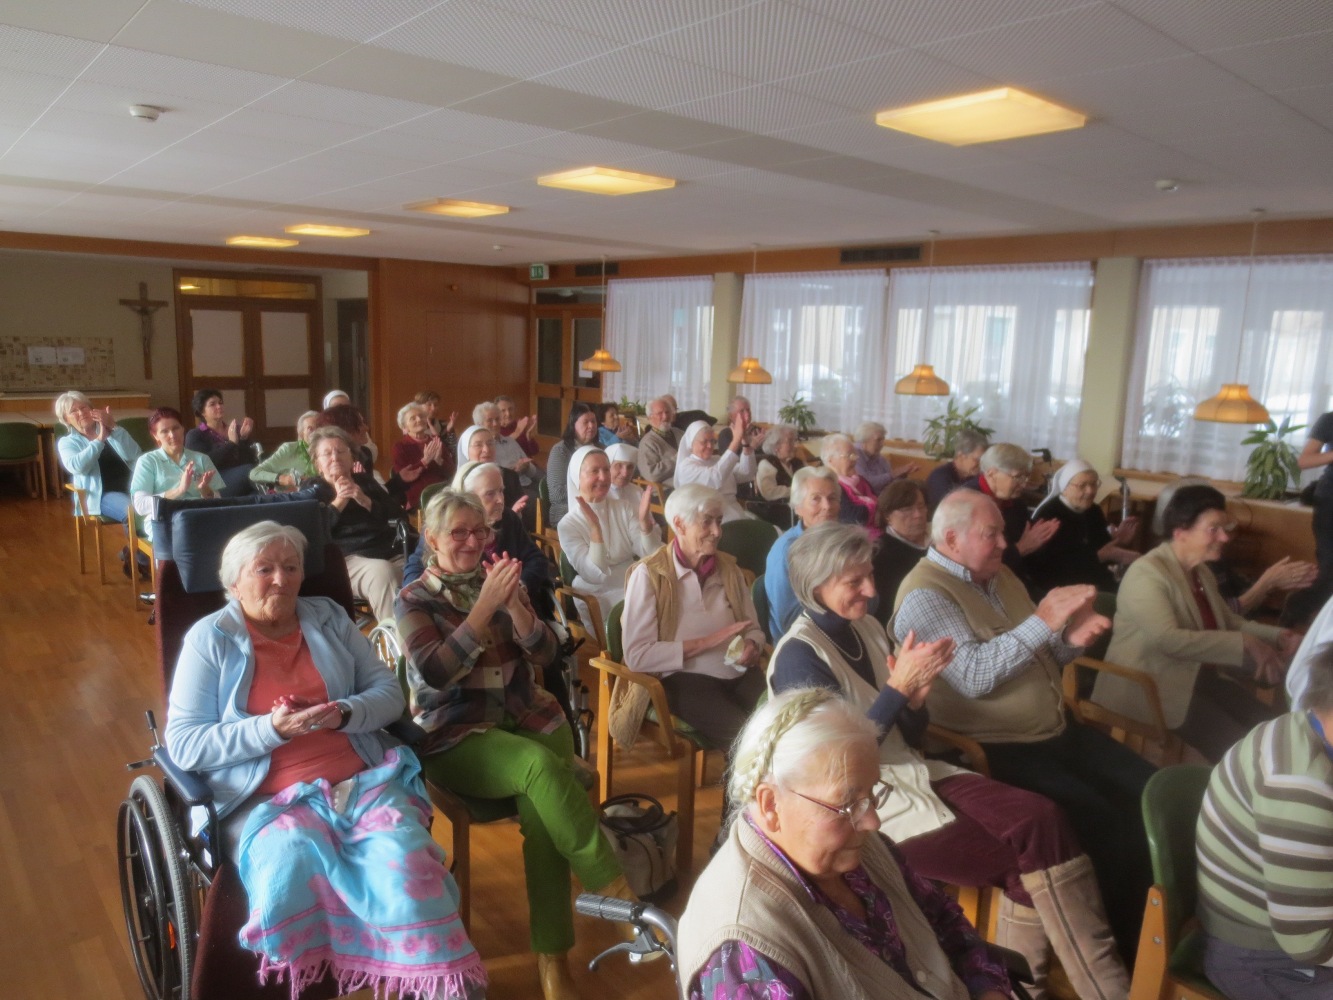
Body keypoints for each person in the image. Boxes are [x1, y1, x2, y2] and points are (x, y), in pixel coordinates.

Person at [771, 523, 1130, 999]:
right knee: (1024, 866)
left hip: (913, 771)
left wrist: (915, 700)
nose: (872, 591)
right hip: (863, 802)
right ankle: (1079, 988)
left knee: (1043, 817)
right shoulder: (799, 657)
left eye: (870, 575)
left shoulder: (867, 628)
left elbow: (907, 733)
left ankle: (1056, 985)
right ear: (815, 585)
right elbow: (836, 762)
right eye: (854, 582)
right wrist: (899, 690)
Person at [164, 521, 485, 1000]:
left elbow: (387, 693)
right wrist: (272, 730)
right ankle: (317, 981)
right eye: (264, 569)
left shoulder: (328, 618)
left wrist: (344, 713)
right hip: (264, 798)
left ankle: (437, 984)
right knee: (295, 858)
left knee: (406, 867)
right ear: (234, 582)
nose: (281, 579)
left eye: (291, 567)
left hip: (360, 781)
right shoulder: (209, 639)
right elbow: (185, 744)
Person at [892, 489, 1157, 961]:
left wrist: (1070, 639)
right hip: (994, 746)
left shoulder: (1001, 575)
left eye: (1002, 533)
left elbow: (1038, 651)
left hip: (1054, 731)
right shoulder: (925, 595)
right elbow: (974, 676)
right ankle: (1123, 949)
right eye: (990, 534)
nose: (1003, 543)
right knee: (1102, 820)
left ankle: (1149, 922)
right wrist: (1044, 620)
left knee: (1148, 789)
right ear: (951, 540)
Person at [396, 489, 637, 1000]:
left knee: (543, 817)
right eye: (458, 533)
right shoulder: (415, 598)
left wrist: (518, 610)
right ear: (432, 539)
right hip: (456, 733)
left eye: (479, 531)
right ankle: (615, 895)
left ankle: (553, 959)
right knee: (541, 770)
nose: (471, 542)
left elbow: (548, 653)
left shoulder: (501, 580)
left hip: (530, 718)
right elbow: (435, 672)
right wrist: (484, 609)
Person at [678, 686, 1016, 1000]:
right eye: (848, 803)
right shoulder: (744, 956)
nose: (873, 821)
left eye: (872, 793)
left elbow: (943, 919)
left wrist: (990, 990)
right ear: (770, 804)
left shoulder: (858, 849)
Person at [1092, 484, 1298, 762]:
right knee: (1243, 751)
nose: (1224, 537)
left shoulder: (1200, 572)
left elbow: (1229, 622)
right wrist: (1245, 643)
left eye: (1224, 528)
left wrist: (1279, 635)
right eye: (1214, 529)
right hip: (1148, 685)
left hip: (1193, 677)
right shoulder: (1147, 574)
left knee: (1275, 731)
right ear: (1181, 531)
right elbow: (1169, 640)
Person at [1195, 645, 1333, 1000]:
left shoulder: (1307, 725)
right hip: (1262, 958)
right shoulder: (1302, 788)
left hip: (1297, 923)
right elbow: (1310, 943)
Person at [622, 485, 767, 754]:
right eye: (707, 522)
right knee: (746, 741)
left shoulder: (729, 570)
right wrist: (706, 642)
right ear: (679, 524)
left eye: (719, 521)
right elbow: (637, 656)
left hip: (738, 671)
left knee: (781, 724)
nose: (717, 531)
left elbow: (754, 629)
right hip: (683, 679)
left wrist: (752, 645)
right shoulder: (650, 575)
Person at [404, 460, 555, 622]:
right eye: (490, 494)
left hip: (517, 608)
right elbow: (413, 572)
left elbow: (537, 559)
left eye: (501, 491)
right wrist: (437, 598)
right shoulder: (442, 528)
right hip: (461, 614)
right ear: (466, 498)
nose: (500, 500)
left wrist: (517, 586)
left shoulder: (508, 519)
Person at [303, 426, 406, 625]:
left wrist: (365, 500)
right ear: (318, 464)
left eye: (341, 451)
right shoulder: (313, 490)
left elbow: (399, 516)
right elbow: (313, 533)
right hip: (346, 560)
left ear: (351, 458)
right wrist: (339, 502)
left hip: (390, 551)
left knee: (429, 566)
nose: (335, 457)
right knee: (383, 573)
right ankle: (401, 642)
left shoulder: (365, 482)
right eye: (327, 453)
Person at [556, 445, 661, 634]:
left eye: (606, 469)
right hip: (598, 592)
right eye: (594, 471)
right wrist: (596, 530)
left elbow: (650, 554)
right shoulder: (568, 525)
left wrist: (645, 524)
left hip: (632, 579)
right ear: (577, 477)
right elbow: (593, 574)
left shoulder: (624, 508)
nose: (603, 477)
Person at [1023, 461, 1139, 596]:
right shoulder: (1049, 516)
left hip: (1093, 582)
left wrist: (1119, 541)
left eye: (1094, 484)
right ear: (1065, 488)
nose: (1090, 491)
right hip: (1060, 590)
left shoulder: (1093, 510)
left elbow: (1103, 548)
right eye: (1082, 485)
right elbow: (1050, 568)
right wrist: (1100, 556)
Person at [964, 443, 1057, 586]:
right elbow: (973, 561)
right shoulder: (967, 502)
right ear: (992, 473)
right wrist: (1020, 549)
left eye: (1026, 477)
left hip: (1014, 578)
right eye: (1018, 477)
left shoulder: (1015, 502)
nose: (1023, 484)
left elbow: (1028, 541)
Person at [765, 466, 841, 638]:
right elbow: (789, 621)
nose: (827, 506)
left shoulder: (842, 541)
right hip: (805, 640)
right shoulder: (786, 552)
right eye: (816, 499)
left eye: (832, 498)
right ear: (798, 508)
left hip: (843, 628)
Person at [130, 407, 220, 539]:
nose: (172, 435)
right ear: (155, 435)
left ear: (183, 429)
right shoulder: (147, 461)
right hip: (165, 518)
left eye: (176, 428)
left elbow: (218, 501)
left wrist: (204, 490)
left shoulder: (202, 459)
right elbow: (140, 505)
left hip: (199, 514)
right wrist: (179, 490)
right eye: (164, 431)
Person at [54, 391, 141, 524]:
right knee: (134, 513)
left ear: (92, 410)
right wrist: (100, 440)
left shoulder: (111, 430)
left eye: (84, 407)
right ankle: (135, 539)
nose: (81, 413)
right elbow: (77, 467)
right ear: (66, 419)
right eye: (74, 411)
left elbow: (135, 455)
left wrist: (114, 427)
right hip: (101, 495)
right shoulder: (67, 442)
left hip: (135, 487)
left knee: (162, 507)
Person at [1285, 412, 1333, 625]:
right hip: (1330, 503)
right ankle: (1297, 608)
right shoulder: (1329, 420)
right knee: (1330, 569)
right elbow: (1304, 461)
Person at [674, 417, 758, 522]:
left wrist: (745, 444)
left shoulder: (717, 459)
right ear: (691, 444)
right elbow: (716, 478)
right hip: (712, 519)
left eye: (712, 441)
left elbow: (746, 473)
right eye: (704, 442)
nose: (710, 446)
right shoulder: (686, 467)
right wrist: (736, 440)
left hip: (736, 512)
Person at [872, 479, 930, 625]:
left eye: (921, 506)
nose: (918, 515)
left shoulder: (940, 540)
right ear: (887, 516)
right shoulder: (879, 556)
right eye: (907, 509)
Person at [184, 387, 256, 496]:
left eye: (220, 403)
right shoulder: (195, 435)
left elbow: (249, 460)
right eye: (212, 404)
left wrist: (243, 439)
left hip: (242, 477)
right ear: (202, 411)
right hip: (214, 483)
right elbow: (202, 465)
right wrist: (231, 444)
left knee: (257, 494)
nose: (219, 406)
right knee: (251, 472)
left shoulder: (235, 429)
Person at [463, 401, 539, 492]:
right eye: (490, 420)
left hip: (528, 482)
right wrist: (514, 472)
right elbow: (489, 479)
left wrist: (527, 467)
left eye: (497, 419)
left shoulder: (510, 441)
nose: (495, 424)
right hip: (506, 490)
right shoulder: (483, 450)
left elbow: (532, 470)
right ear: (479, 425)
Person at [392, 401, 453, 512]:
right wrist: (424, 462)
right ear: (405, 426)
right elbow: (401, 478)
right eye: (413, 418)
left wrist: (439, 461)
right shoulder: (400, 447)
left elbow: (452, 472)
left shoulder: (436, 441)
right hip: (419, 499)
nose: (419, 420)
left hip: (444, 496)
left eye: (421, 416)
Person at [545, 403, 600, 525]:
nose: (591, 426)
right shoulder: (560, 451)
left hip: (597, 506)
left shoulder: (600, 449)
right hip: (566, 511)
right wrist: (590, 487)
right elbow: (556, 494)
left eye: (593, 421)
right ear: (573, 424)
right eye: (586, 422)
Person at [822, 433, 880, 538]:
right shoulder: (831, 485)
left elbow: (881, 505)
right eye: (849, 455)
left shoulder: (861, 480)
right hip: (851, 538)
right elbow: (853, 518)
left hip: (876, 532)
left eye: (855, 455)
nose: (855, 459)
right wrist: (874, 507)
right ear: (831, 460)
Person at [456, 425, 525, 513]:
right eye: (478, 445)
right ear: (465, 450)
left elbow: (522, 512)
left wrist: (514, 515)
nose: (486, 449)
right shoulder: (460, 483)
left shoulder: (510, 476)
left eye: (490, 443)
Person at [248, 410, 318, 490]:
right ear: (301, 433)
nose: (316, 432)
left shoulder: (327, 451)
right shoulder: (290, 449)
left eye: (320, 427)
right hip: (294, 496)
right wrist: (284, 479)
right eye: (310, 429)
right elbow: (255, 473)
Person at [926, 429, 988, 512]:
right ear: (961, 456)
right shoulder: (939, 476)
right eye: (977, 460)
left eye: (984, 460)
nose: (981, 464)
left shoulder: (977, 475)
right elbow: (949, 506)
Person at [854, 421, 917, 494]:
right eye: (878, 440)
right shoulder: (854, 455)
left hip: (883, 497)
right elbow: (865, 483)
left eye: (883, 440)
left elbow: (890, 483)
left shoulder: (880, 459)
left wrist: (902, 475)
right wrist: (894, 474)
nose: (882, 444)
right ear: (863, 441)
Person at [637, 396, 684, 485]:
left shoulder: (679, 433)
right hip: (666, 489)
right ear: (650, 417)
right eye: (660, 413)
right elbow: (651, 474)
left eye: (667, 412)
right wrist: (678, 459)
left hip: (688, 480)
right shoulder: (647, 443)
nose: (665, 417)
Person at [755, 424, 804, 501]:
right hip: (778, 507)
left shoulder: (797, 462)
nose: (795, 445)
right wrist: (799, 490)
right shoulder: (767, 464)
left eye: (795, 440)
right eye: (790, 441)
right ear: (776, 446)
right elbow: (769, 492)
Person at [495, 394, 540, 459]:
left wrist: (528, 435)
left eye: (510, 409)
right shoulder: (495, 430)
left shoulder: (518, 424)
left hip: (527, 463)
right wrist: (518, 431)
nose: (508, 414)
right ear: (496, 413)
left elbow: (534, 452)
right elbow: (502, 449)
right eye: (503, 411)